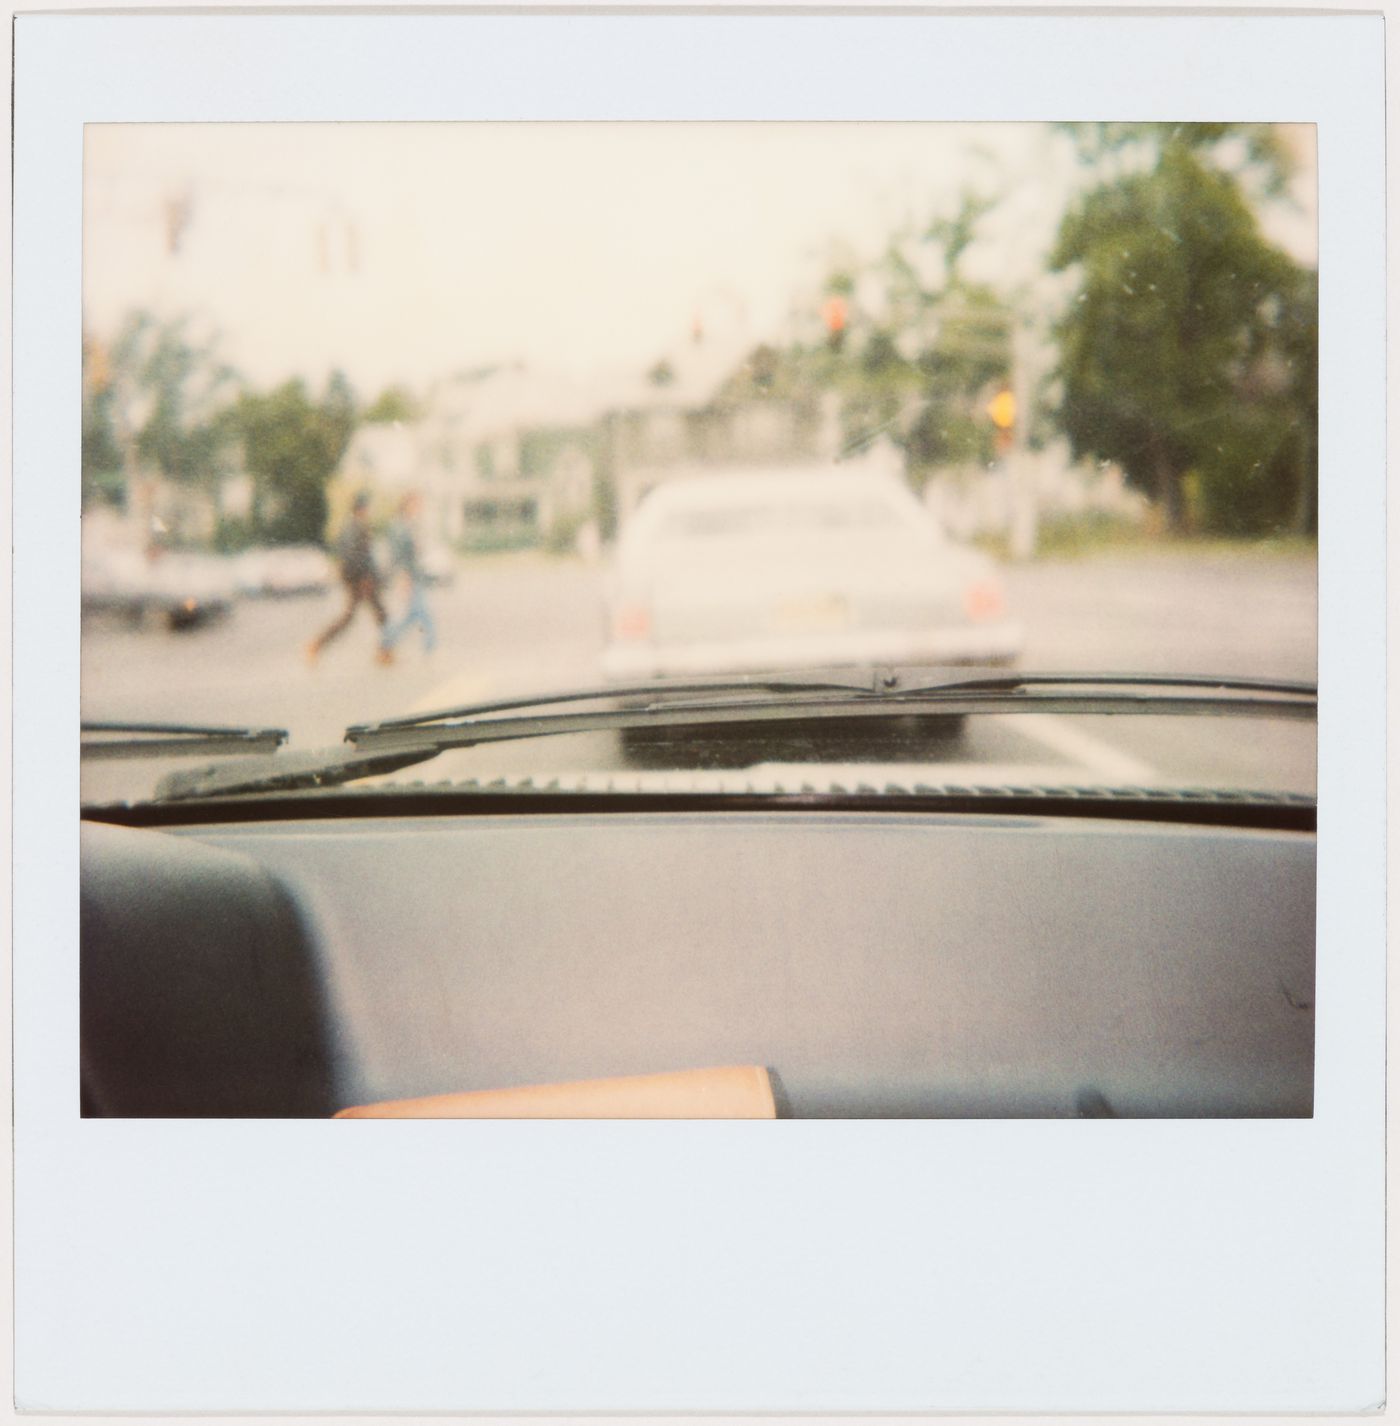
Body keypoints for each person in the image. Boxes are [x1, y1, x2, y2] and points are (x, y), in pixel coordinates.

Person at [305, 491, 387, 665]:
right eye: (367, 508)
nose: (369, 511)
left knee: (375, 614)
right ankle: (316, 645)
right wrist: (364, 576)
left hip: (359, 578)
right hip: (361, 579)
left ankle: (384, 652)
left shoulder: (352, 525)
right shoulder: (356, 526)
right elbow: (354, 556)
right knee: (371, 615)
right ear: (361, 508)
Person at [378, 490, 437, 661]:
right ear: (407, 505)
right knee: (421, 614)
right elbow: (398, 554)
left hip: (414, 576)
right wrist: (403, 578)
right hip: (407, 577)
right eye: (417, 504)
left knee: (414, 615)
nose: (420, 508)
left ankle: (387, 642)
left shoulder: (410, 524)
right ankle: (428, 648)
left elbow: (415, 550)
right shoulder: (399, 526)